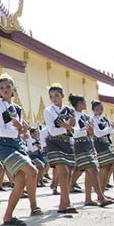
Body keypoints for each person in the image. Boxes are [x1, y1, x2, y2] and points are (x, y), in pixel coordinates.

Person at [0, 74, 41, 226]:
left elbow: (23, 133)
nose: (5, 90)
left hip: (18, 145)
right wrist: (18, 130)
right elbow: (1, 130)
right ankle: (34, 206)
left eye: (8, 87)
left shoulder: (17, 108)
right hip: (5, 146)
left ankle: (8, 216)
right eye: (2, 88)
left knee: (20, 181)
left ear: (13, 89)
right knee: (32, 171)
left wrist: (24, 131)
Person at [69, 94, 113, 207]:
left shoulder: (85, 116)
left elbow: (92, 132)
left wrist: (90, 132)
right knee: (93, 170)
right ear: (79, 104)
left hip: (89, 143)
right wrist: (86, 131)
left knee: (89, 173)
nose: (85, 104)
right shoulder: (73, 115)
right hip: (80, 144)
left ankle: (88, 198)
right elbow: (74, 131)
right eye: (83, 102)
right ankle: (101, 197)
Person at [43, 84, 78, 214]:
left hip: (67, 142)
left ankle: (63, 205)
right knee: (62, 172)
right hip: (54, 142)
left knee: (68, 173)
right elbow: (52, 131)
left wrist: (70, 128)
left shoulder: (70, 110)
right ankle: (68, 202)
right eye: (51, 96)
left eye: (57, 95)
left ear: (63, 96)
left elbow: (76, 128)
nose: (54, 98)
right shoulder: (48, 111)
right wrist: (67, 128)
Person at [90, 101, 114, 199]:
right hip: (98, 144)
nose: (99, 111)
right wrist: (110, 129)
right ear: (93, 110)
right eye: (97, 110)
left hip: (106, 144)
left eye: (101, 109)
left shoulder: (104, 119)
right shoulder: (92, 119)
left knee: (106, 168)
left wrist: (113, 130)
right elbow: (98, 133)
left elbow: (111, 132)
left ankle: (102, 193)